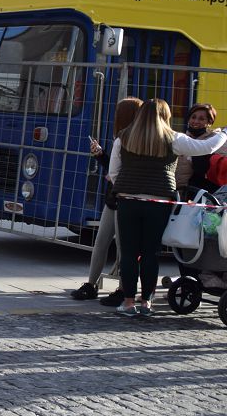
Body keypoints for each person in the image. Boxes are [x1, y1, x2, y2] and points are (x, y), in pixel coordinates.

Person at [108, 98, 227, 317]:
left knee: (129, 253)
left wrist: (127, 188)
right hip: (159, 202)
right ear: (166, 116)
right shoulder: (173, 138)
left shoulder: (123, 137)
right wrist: (224, 134)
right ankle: (146, 303)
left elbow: (113, 172)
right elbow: (205, 147)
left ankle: (127, 302)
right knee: (150, 252)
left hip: (128, 201)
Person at [70, 97, 142, 301]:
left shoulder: (135, 140)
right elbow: (114, 168)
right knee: (101, 242)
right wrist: (101, 155)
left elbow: (121, 171)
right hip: (113, 197)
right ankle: (91, 284)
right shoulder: (121, 138)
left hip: (125, 198)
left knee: (123, 248)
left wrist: (107, 165)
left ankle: (123, 289)